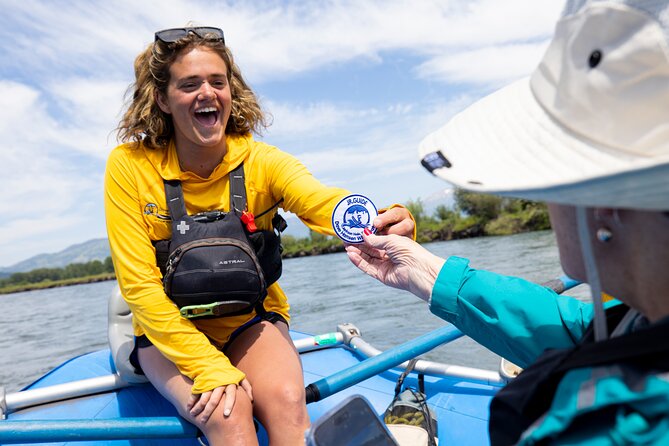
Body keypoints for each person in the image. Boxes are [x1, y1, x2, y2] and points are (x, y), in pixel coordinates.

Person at [347, 0, 669, 444]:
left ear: (602, 207)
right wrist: (425, 273)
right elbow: (585, 331)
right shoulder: (646, 316)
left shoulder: (611, 430)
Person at [104, 26, 414, 446]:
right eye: (189, 84)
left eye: (218, 81)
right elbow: (139, 287)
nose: (207, 93)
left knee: (287, 402)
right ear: (162, 98)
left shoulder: (263, 161)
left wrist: (379, 219)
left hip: (250, 318)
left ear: (231, 91)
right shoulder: (128, 165)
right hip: (167, 333)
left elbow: (319, 200)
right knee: (230, 415)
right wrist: (209, 367)